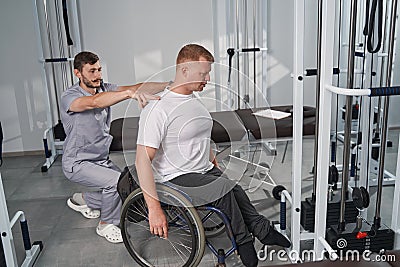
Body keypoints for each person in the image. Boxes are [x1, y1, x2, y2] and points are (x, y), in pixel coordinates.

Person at [135, 44, 290, 267]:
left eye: (208, 73)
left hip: (201, 170)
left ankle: (262, 229)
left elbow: (195, 132)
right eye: (203, 73)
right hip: (173, 178)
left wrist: (209, 156)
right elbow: (142, 161)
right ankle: (244, 243)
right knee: (224, 189)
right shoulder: (158, 109)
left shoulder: (191, 100)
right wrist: (154, 209)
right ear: (185, 70)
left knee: (235, 188)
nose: (207, 78)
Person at [61, 51, 167, 243]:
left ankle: (84, 199)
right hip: (77, 162)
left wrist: (170, 84)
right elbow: (93, 102)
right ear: (78, 73)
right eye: (92, 71)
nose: (97, 75)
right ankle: (105, 225)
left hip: (101, 159)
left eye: (99, 70)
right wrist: (126, 94)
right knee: (115, 183)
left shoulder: (103, 88)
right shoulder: (69, 97)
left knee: (127, 187)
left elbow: (138, 87)